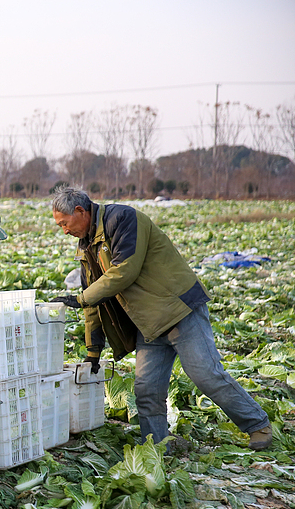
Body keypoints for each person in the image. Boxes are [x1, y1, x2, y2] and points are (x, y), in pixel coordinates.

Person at [49, 186, 272, 450]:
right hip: (148, 324)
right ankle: (157, 445)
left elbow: (124, 271)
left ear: (79, 211)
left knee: (206, 375)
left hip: (178, 310)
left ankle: (258, 425)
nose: (64, 230)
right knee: (146, 390)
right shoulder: (86, 247)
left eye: (64, 223)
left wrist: (81, 299)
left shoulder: (121, 219)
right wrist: (93, 352)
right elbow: (94, 300)